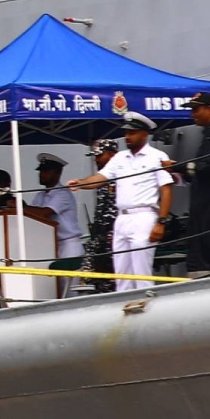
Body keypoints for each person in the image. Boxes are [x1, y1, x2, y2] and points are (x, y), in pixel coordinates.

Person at [68, 113, 173, 291]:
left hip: (144, 216)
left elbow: (166, 189)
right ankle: (124, 309)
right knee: (121, 273)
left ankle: (144, 307)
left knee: (141, 272)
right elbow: (102, 177)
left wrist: (161, 222)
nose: (127, 136)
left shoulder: (156, 156)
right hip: (122, 218)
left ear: (144, 134)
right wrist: (81, 183)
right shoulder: (119, 158)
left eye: (132, 133)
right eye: (126, 132)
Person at [169, 92, 210, 278]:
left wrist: (177, 167)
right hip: (204, 205)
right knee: (204, 254)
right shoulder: (209, 136)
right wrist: (179, 173)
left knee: (204, 254)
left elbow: (208, 168)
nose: (193, 114)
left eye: (196, 109)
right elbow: (200, 172)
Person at [27, 153, 85, 264]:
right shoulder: (40, 195)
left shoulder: (63, 194)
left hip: (69, 246)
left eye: (46, 171)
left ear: (58, 173)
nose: (41, 174)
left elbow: (44, 213)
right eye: (40, 171)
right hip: (52, 246)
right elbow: (31, 216)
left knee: (69, 281)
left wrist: (19, 207)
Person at [78, 139, 119, 292]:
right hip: (100, 236)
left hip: (115, 237)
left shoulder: (122, 176)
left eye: (99, 156)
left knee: (115, 278)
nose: (96, 160)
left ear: (110, 155)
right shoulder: (102, 180)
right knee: (98, 280)